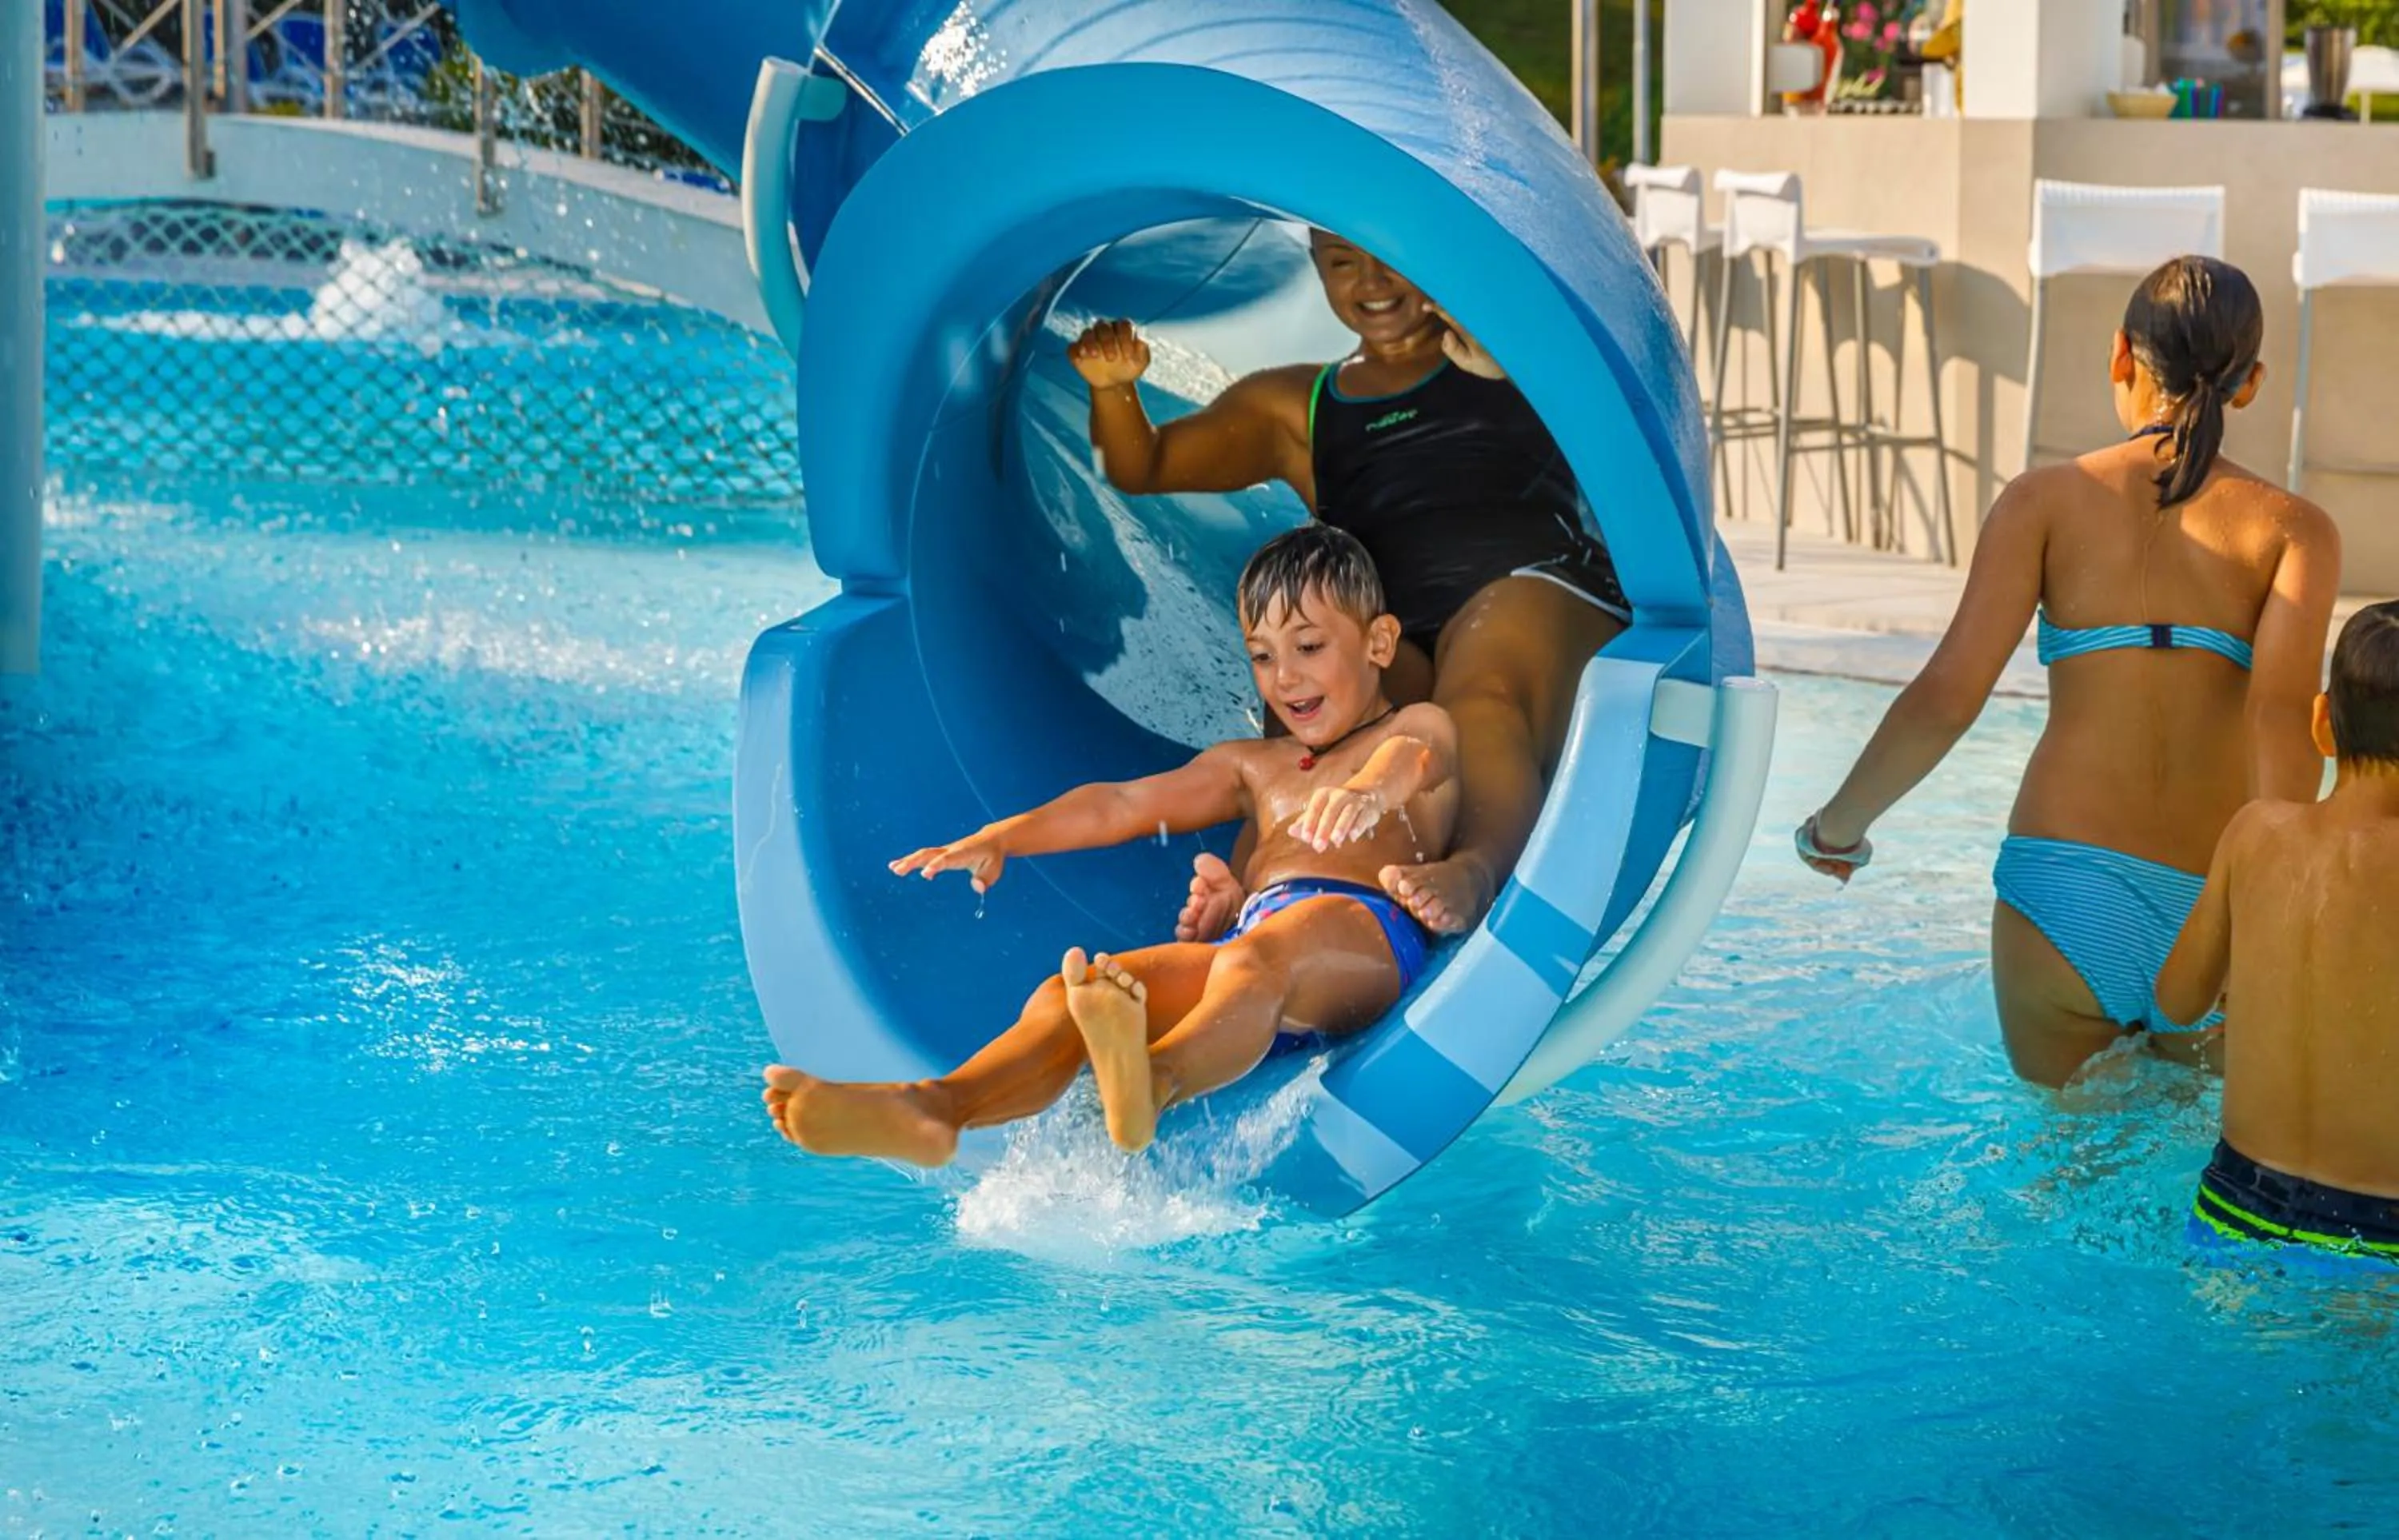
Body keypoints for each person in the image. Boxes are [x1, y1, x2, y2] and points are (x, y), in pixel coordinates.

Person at [1796, 256, 2341, 1087]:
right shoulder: (2295, 530)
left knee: (2064, 1177)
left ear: (2121, 354)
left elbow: (1949, 695)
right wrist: (2283, 907)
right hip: (2214, 910)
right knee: (2180, 1183)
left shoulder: (2042, 502)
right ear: (2252, 382)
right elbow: (2280, 721)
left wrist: (1838, 826)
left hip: (2062, 901)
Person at [761, 525, 1457, 1164]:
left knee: (1254, 958)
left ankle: (1150, 1083)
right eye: (1262, 656)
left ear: (1380, 642)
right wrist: (1005, 836)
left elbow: (1415, 760)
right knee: (1074, 993)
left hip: (1361, 933)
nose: (1286, 678)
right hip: (1249, 955)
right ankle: (937, 1108)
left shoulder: (1414, 725)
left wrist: (1365, 794)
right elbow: (1121, 805)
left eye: (1309, 647)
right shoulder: (1256, 766)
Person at [1067, 227, 1629, 940]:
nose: (1371, 282)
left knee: (1476, 696)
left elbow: (1623, 408)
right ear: (1315, 270)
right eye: (1341, 264)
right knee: (1313, 696)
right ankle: (1262, 891)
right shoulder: (1297, 404)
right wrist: (1114, 392)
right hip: (1394, 622)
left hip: (1535, 584)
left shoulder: (1513, 357)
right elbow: (1143, 467)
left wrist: (1520, 361)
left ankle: (1477, 870)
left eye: (1389, 257)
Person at [2159, 602, 2399, 1263]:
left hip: (2232, 1207)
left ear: (2323, 723)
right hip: (2381, 1241)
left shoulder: (2254, 832)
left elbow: (2177, 1002)